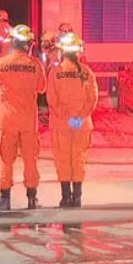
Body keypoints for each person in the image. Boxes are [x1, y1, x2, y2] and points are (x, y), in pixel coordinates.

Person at [0, 24, 47, 210]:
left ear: (13, 42)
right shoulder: (36, 65)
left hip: (7, 121)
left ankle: (5, 199)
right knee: (31, 160)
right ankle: (32, 198)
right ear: (29, 44)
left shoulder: (0, 63)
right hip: (29, 122)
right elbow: (41, 88)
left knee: (6, 161)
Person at [46, 32, 98, 208]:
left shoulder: (55, 71)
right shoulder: (87, 72)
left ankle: (65, 197)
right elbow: (93, 99)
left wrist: (67, 118)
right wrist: (78, 118)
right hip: (82, 125)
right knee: (79, 159)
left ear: (62, 52)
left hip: (61, 125)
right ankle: (77, 198)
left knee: (62, 159)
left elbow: (52, 99)